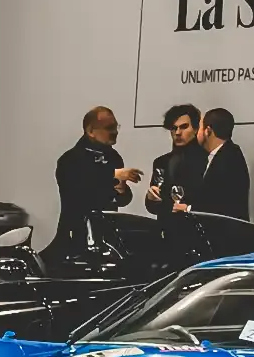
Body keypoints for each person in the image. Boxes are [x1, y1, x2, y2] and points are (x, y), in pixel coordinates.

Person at [51, 106, 139, 254]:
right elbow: (79, 191)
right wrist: (113, 174)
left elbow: (122, 201)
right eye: (109, 128)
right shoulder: (70, 159)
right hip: (76, 234)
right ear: (91, 131)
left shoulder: (114, 157)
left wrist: (122, 189)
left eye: (116, 126)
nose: (115, 132)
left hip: (107, 235)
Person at [175, 107, 249, 221]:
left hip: (226, 230)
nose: (196, 133)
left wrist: (188, 208)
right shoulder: (222, 154)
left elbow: (223, 202)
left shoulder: (229, 158)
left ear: (208, 131)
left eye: (200, 128)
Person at [146, 103, 205, 220]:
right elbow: (153, 207)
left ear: (195, 129)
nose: (178, 132)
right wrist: (150, 198)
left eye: (184, 127)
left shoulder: (207, 160)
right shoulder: (161, 162)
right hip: (166, 227)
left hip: (197, 226)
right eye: (174, 128)